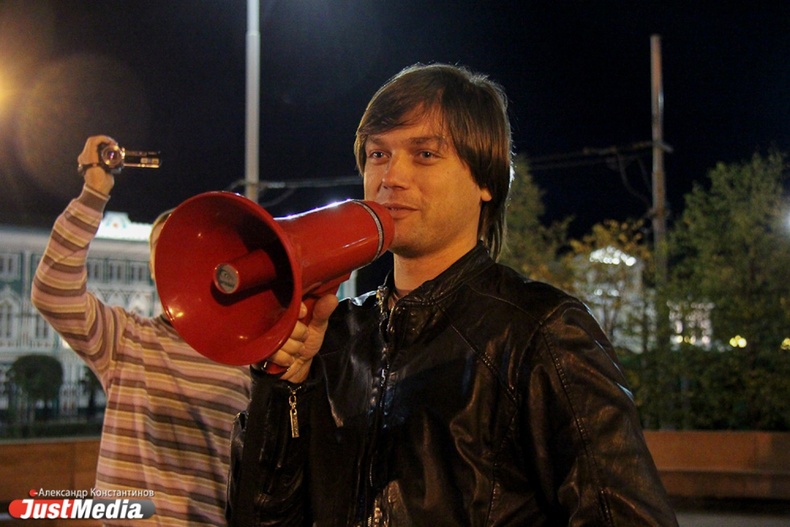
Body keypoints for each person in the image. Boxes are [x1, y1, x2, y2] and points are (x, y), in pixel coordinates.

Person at [225, 64, 679, 526]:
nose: (391, 176)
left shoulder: (542, 332)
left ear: (486, 181)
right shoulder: (334, 337)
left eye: (424, 154)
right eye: (378, 154)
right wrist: (282, 388)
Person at [31, 135, 251, 526]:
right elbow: (52, 291)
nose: (169, 255)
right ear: (152, 268)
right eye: (158, 247)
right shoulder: (126, 338)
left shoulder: (247, 356)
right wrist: (94, 192)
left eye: (181, 244)